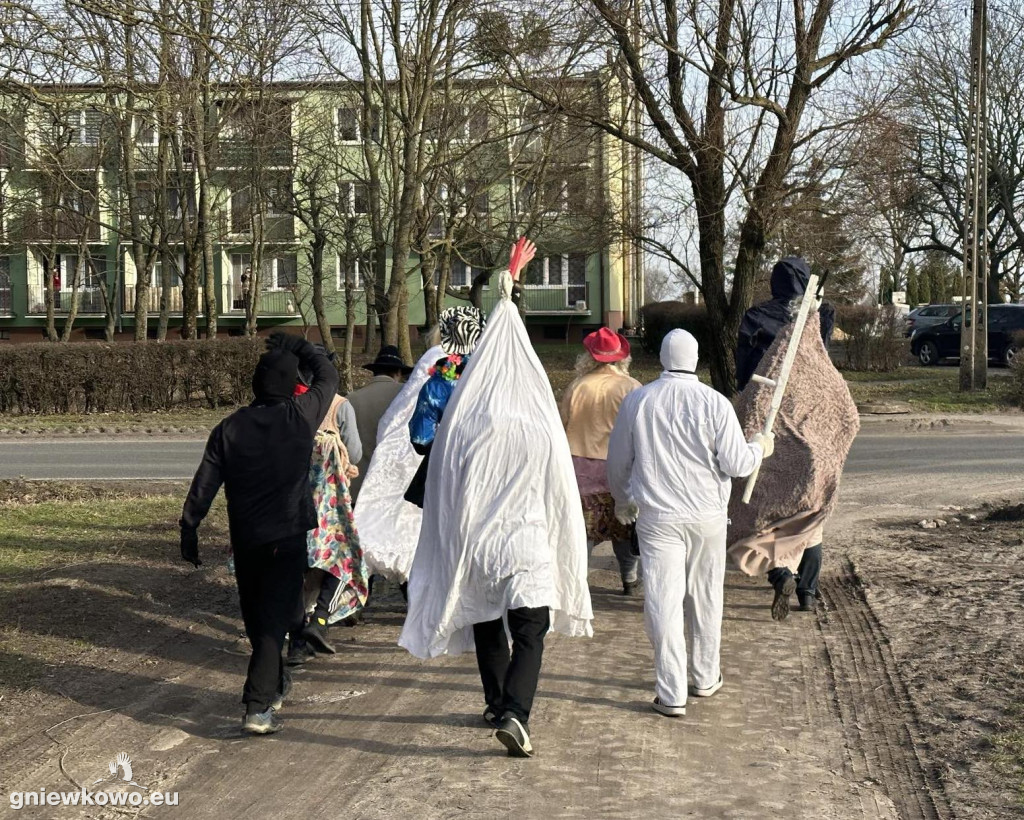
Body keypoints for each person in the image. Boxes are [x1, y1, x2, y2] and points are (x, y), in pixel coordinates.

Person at [399, 240, 593, 759]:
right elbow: (559, 490)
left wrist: (449, 545)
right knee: (531, 628)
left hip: (480, 541)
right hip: (526, 541)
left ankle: (495, 700)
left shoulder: (465, 423)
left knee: (486, 615)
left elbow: (443, 485)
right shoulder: (539, 423)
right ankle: (515, 712)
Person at [179, 332, 338, 735]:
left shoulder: (229, 428)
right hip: (286, 537)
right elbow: (328, 377)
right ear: (290, 385)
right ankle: (257, 706)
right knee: (271, 626)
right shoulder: (300, 416)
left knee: (260, 620)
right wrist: (301, 347)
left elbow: (205, 483)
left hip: (246, 539)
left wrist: (189, 528)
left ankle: (276, 679)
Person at [607, 329, 771, 717]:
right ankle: (706, 675)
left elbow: (617, 462)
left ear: (662, 358)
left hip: (658, 517)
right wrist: (760, 447)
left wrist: (622, 500)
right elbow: (736, 464)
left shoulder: (638, 401)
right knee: (706, 597)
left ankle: (671, 691)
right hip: (707, 517)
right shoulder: (715, 403)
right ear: (696, 359)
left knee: (663, 602)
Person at [728, 268, 858, 620]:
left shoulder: (756, 315)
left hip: (768, 419)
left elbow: (744, 366)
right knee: (810, 510)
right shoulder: (821, 313)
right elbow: (822, 357)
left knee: (761, 509)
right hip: (810, 415)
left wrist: (747, 401)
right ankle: (808, 592)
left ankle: (780, 572)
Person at [287, 352, 367, 664]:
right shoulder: (338, 405)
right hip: (329, 505)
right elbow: (356, 452)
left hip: (289, 504)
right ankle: (319, 620)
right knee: (342, 559)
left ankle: (295, 639)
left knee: (294, 569)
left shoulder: (284, 405)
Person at [560, 327, 643, 594]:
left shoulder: (578, 387)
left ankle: (577, 585)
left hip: (580, 465)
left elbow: (562, 424)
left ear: (590, 357)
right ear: (622, 358)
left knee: (583, 528)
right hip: (621, 467)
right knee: (624, 526)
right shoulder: (632, 388)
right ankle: (629, 579)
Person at [735, 256, 835, 392]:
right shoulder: (822, 313)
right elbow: (823, 350)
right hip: (805, 385)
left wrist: (743, 384)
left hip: (765, 385)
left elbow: (744, 352)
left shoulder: (758, 313)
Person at [346, 346, 413, 503]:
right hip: (396, 486)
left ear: (374, 372)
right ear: (398, 372)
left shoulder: (351, 399)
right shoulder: (407, 396)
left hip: (359, 486)